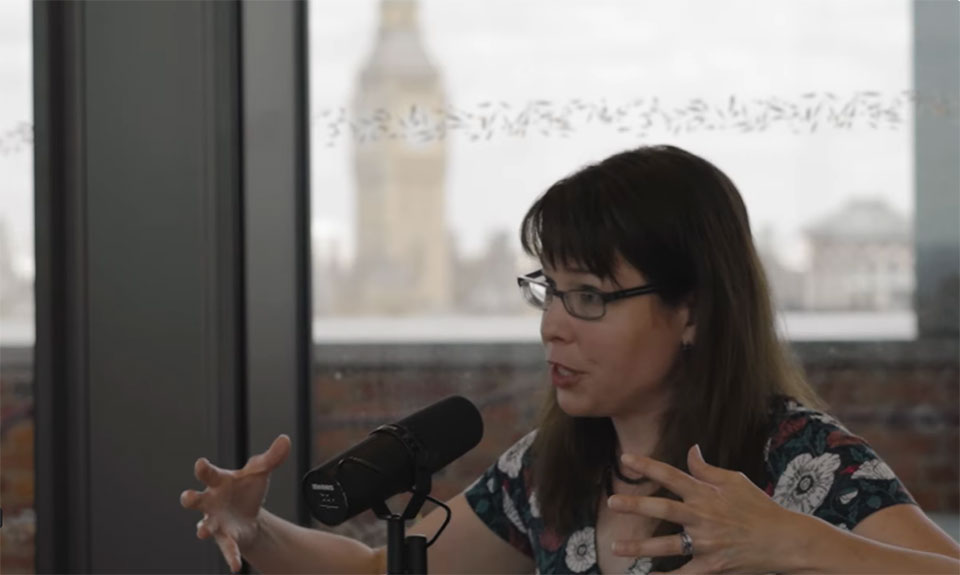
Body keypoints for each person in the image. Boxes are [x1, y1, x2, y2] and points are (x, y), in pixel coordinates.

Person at [181, 145, 960, 574]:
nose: (553, 325)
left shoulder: (801, 464)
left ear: (691, 309)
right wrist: (256, 530)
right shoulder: (549, 470)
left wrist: (792, 541)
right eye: (547, 290)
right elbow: (376, 571)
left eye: (589, 296)